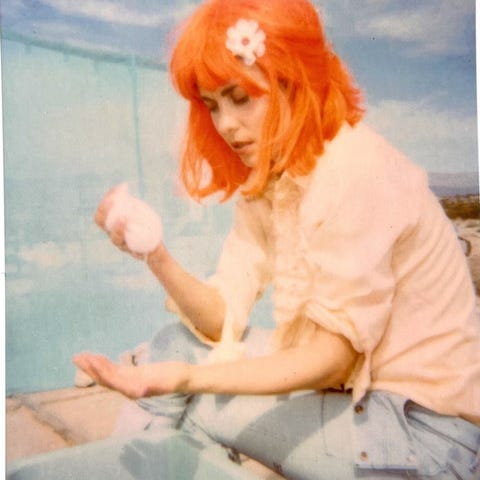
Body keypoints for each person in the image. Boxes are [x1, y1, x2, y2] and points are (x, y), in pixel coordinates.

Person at [24, 0, 480, 478]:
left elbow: (330, 359)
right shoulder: (273, 183)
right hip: (366, 402)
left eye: (240, 97)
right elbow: (222, 316)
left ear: (292, 81)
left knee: (191, 398)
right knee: (175, 344)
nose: (224, 124)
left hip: (426, 438)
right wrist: (154, 254)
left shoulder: (356, 170)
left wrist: (187, 378)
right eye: (212, 105)